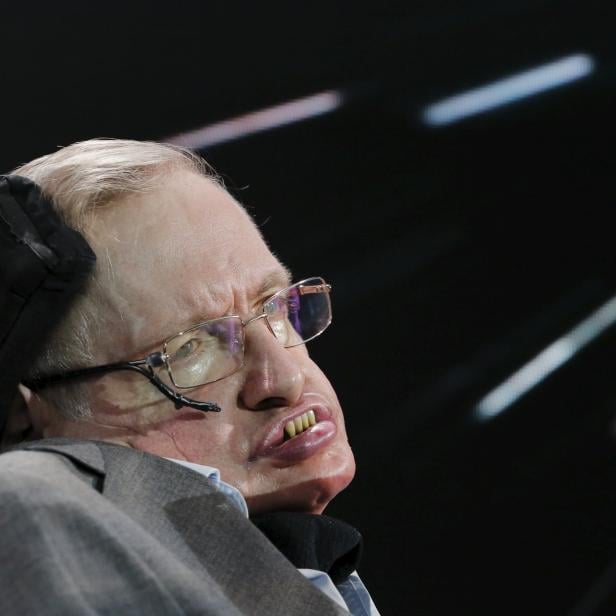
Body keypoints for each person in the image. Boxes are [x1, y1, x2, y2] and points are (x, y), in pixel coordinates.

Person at [0, 139, 379, 615]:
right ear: (26, 414)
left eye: (275, 307)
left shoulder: (289, 568)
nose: (283, 379)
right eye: (190, 350)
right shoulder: (26, 507)